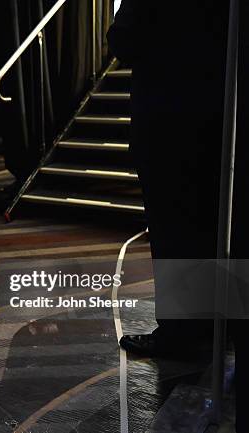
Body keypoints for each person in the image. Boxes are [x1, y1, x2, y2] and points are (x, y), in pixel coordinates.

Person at [108, 2, 248, 431]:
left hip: (170, 122)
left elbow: (124, 40)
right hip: (224, 120)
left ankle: (184, 333)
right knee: (221, 227)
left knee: (174, 230)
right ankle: (222, 331)